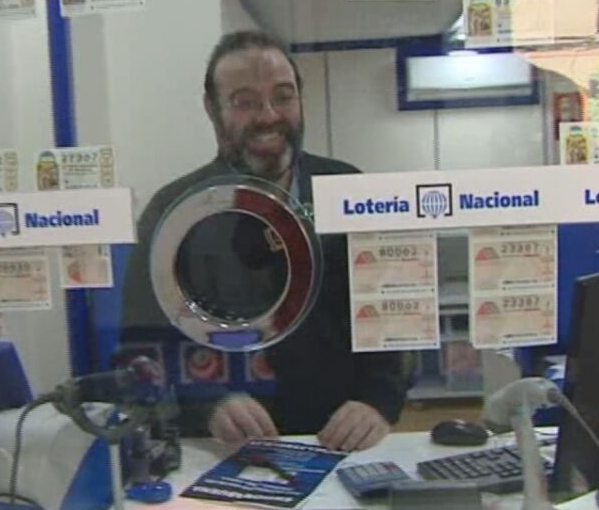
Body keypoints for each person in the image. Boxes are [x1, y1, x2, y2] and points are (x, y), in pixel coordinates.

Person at [121, 30, 408, 452]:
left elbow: (395, 322)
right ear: (212, 110)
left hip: (340, 445)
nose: (268, 115)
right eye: (244, 102)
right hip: (222, 452)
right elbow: (139, 351)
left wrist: (377, 403)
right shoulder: (175, 213)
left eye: (283, 96)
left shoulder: (347, 190)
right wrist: (206, 404)